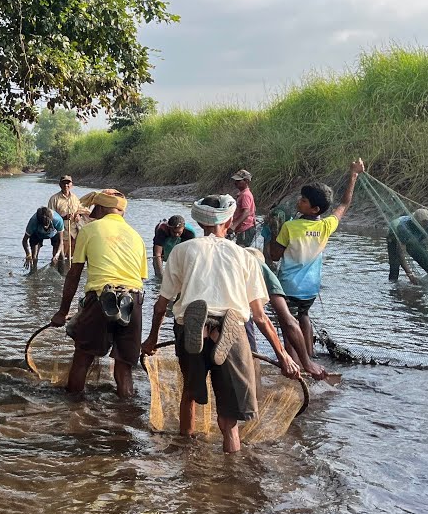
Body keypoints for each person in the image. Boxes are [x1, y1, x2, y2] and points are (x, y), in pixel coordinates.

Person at [141, 195, 300, 453]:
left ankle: (187, 457)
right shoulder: (245, 256)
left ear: (200, 222)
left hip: (188, 325)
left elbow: (161, 306)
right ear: (228, 221)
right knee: (229, 419)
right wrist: (283, 356)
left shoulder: (182, 250)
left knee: (190, 394)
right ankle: (231, 472)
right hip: (232, 327)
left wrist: (151, 341)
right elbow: (259, 316)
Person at [48, 190, 146, 398]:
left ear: (99, 208)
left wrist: (62, 311)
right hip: (134, 301)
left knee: (82, 359)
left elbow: (74, 274)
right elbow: (141, 278)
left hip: (102, 298)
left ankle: (72, 412)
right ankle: (124, 420)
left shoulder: (90, 230)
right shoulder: (137, 236)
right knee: (124, 367)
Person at [268, 159, 365, 361]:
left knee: (288, 325)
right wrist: (353, 175)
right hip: (311, 289)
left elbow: (275, 255)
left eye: (303, 200)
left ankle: (295, 362)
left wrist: (273, 234)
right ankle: (310, 356)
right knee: (303, 316)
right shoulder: (326, 226)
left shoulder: (290, 227)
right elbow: (345, 204)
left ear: (315, 209)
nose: (299, 201)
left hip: (289, 286)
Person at [243, 247, 326, 380]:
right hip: (234, 319)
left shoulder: (229, 261)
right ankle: (255, 392)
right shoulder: (260, 268)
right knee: (250, 365)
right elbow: (285, 321)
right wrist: (304, 362)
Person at [387, 208, 428, 283]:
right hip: (393, 237)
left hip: (416, 239)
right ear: (414, 222)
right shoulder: (403, 228)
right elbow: (400, 253)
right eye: (420, 226)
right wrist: (409, 274)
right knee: (394, 267)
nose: (423, 228)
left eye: (425, 226)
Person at [47, 175, 88, 262]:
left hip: (73, 231)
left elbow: (81, 210)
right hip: (60, 232)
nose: (66, 185)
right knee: (59, 257)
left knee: (72, 256)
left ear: (71, 185)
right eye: (64, 183)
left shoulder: (74, 198)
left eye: (68, 183)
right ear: (60, 185)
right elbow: (50, 217)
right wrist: (64, 217)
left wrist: (78, 215)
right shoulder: (54, 199)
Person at [229, 170, 258, 247]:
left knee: (241, 253)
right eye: (235, 180)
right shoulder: (242, 194)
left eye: (238, 181)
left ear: (246, 181)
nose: (235, 183)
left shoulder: (245, 195)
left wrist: (234, 225)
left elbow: (246, 212)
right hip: (243, 229)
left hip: (246, 229)